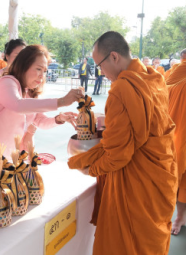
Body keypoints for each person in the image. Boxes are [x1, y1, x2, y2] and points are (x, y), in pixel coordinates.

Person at [68, 31, 177, 255]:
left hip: (135, 181)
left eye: (100, 65)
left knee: (126, 244)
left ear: (114, 57)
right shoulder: (154, 77)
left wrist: (90, 168)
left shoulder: (122, 88)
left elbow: (117, 155)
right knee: (150, 242)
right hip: (162, 173)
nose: (101, 72)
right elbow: (149, 124)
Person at [0, 45, 84, 159]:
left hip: (10, 154)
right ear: (24, 65)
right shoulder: (7, 82)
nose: (42, 76)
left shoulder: (29, 92)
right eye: (38, 69)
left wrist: (59, 119)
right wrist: (62, 101)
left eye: (44, 71)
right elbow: (17, 105)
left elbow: (39, 121)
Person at [167, 49, 186, 235]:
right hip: (178, 136)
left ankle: (179, 217)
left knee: (178, 181)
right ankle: (179, 217)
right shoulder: (174, 75)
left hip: (174, 138)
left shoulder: (171, 75)